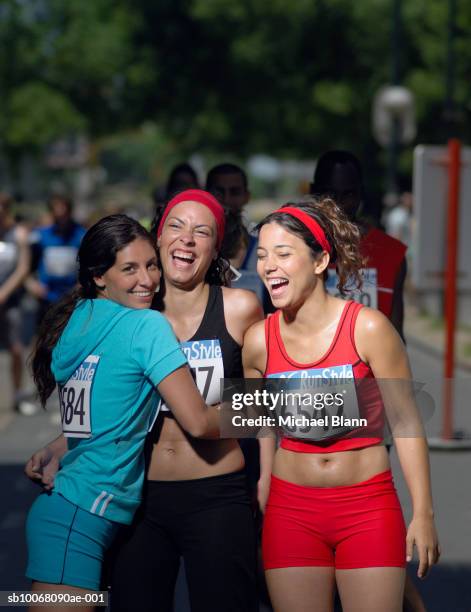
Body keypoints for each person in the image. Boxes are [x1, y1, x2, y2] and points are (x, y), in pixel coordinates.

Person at [243, 198, 440, 612]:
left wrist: (423, 512)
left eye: (283, 254)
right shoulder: (257, 341)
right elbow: (255, 423)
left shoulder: (369, 328)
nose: (268, 266)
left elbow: (405, 422)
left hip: (366, 508)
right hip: (290, 510)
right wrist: (262, 483)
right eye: (262, 255)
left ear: (320, 262)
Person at [24, 214, 221, 612]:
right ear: (99, 276)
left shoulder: (78, 319)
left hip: (68, 512)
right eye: (128, 268)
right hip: (77, 521)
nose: (147, 280)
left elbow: (104, 411)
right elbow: (199, 421)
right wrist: (275, 404)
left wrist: (60, 446)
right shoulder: (145, 325)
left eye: (151, 265)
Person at [109, 189, 271, 612]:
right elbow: (105, 404)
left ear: (215, 247)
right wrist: (58, 448)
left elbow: (263, 403)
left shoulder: (240, 307)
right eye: (176, 227)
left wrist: (267, 479)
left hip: (217, 494)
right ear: (157, 239)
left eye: (202, 232)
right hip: (137, 497)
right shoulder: (128, 312)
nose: (187, 239)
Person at [310, 150, 407, 339]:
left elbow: (396, 337)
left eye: (348, 194)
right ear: (313, 192)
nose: (338, 204)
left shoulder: (392, 254)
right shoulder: (295, 250)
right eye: (330, 194)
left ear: (361, 193)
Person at [206, 163, 269, 310]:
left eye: (234, 192)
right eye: (219, 192)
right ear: (206, 193)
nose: (226, 200)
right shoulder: (194, 249)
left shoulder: (263, 250)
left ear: (247, 196)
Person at [27, 194, 86, 323]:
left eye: (63, 208)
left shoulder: (81, 235)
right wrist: (32, 284)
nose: (60, 212)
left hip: (72, 296)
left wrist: (81, 285)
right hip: (46, 296)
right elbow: (27, 265)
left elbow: (89, 264)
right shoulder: (40, 235)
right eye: (56, 208)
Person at [0, 193, 31, 412]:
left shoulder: (18, 234)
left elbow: (23, 268)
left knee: (16, 348)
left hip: (10, 300)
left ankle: (18, 393)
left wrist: (4, 291)